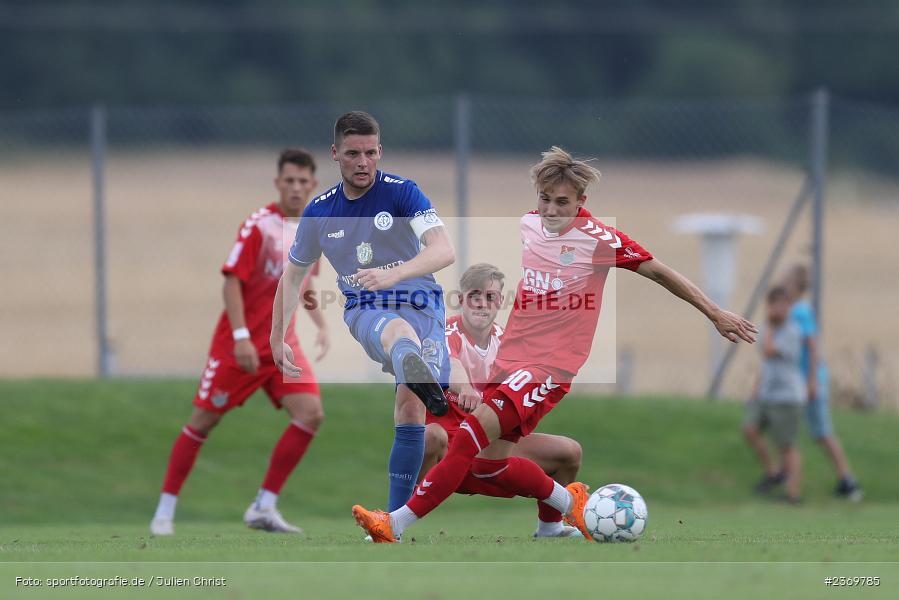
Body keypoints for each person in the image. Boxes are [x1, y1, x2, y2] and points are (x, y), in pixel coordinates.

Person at [352, 146, 757, 542]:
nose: (549, 210)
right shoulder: (529, 223)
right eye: (544, 199)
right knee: (488, 464)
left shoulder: (599, 239)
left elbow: (660, 272)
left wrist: (715, 313)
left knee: (467, 435)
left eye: (561, 202)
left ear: (582, 200)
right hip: (510, 362)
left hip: (548, 366)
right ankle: (557, 518)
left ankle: (394, 525)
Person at [272, 111, 455, 514]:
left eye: (370, 153)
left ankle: (392, 525)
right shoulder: (320, 211)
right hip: (366, 307)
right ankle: (408, 357)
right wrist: (277, 337)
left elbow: (444, 250)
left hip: (423, 303)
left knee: (411, 410)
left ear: (380, 152)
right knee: (398, 334)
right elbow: (292, 277)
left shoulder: (403, 192)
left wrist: (395, 274)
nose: (363, 162)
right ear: (335, 154)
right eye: (353, 153)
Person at [150, 148, 330, 536]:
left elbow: (303, 282)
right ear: (278, 183)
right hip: (240, 348)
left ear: (313, 186)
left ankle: (263, 507)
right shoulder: (259, 226)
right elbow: (232, 280)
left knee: (311, 414)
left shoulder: (313, 229)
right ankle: (163, 513)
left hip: (282, 346)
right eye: (289, 180)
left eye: (303, 182)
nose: (296, 188)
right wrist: (242, 337)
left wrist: (320, 323)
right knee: (203, 422)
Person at [424, 262, 583, 538]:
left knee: (569, 452)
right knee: (428, 437)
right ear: (462, 300)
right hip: (449, 448)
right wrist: (467, 389)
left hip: (489, 448)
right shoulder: (446, 332)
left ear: (499, 302)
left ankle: (550, 527)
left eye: (490, 297)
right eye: (474, 296)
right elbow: (451, 364)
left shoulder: (507, 341)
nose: (481, 304)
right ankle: (397, 517)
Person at [784, 264, 862, 500]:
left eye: (786, 280)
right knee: (800, 430)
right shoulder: (795, 310)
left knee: (822, 432)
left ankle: (848, 482)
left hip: (812, 380)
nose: (782, 285)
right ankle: (785, 475)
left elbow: (812, 345)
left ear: (795, 285)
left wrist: (812, 381)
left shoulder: (800, 311)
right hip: (802, 381)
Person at [742, 286, 806, 503]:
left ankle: (793, 494)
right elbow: (767, 363)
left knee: (787, 445)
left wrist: (769, 324)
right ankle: (774, 473)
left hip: (787, 396)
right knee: (750, 429)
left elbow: (770, 350)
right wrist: (756, 389)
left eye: (783, 305)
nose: (778, 309)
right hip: (768, 394)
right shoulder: (767, 329)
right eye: (773, 304)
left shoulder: (791, 331)